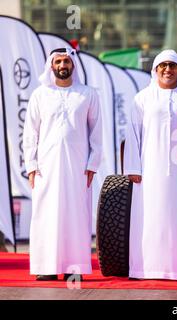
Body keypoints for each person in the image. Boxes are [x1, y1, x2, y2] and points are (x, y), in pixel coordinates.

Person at [124, 49, 177, 280]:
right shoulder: (142, 98)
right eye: (163, 66)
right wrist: (132, 167)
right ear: (155, 69)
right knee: (148, 217)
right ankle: (145, 268)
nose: (168, 70)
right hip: (148, 170)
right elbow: (132, 134)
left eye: (172, 66)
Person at [23, 47, 102, 281]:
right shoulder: (40, 95)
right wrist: (31, 166)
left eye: (66, 61)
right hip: (45, 168)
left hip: (78, 167)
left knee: (75, 215)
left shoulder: (87, 94)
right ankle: (46, 267)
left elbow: (96, 132)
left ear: (73, 65)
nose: (62, 65)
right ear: (51, 65)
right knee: (45, 215)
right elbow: (30, 133)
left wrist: (92, 164)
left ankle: (73, 267)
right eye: (58, 61)